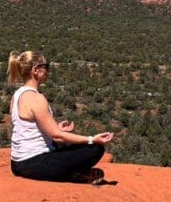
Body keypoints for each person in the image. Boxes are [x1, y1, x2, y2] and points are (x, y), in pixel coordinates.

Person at [7, 50, 115, 183]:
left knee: (65, 144)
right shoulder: (36, 98)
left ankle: (71, 172)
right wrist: (92, 139)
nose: (47, 70)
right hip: (34, 163)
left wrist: (56, 127)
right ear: (36, 70)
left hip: (17, 163)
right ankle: (73, 174)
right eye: (46, 66)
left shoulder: (17, 95)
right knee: (95, 149)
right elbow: (56, 136)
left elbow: (27, 128)